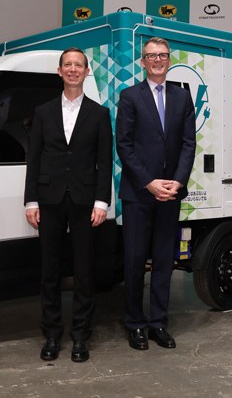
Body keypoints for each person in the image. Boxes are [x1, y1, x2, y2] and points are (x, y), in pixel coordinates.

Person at [24, 48, 113, 362]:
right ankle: (51, 334)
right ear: (59, 71)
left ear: (87, 72)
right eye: (68, 65)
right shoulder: (43, 112)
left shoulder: (100, 114)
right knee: (49, 271)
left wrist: (102, 201)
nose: (73, 69)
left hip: (85, 200)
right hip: (49, 199)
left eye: (79, 65)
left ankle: (80, 336)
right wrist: (31, 200)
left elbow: (104, 161)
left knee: (84, 271)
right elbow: (34, 159)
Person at [115, 37, 196, 350]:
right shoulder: (129, 96)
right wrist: (149, 182)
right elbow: (124, 145)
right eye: (151, 56)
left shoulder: (182, 96)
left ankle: (158, 323)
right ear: (143, 61)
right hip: (139, 193)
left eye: (162, 55)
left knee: (164, 261)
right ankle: (135, 324)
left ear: (169, 59)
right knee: (135, 261)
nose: (157, 60)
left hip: (171, 193)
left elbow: (188, 143)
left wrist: (177, 181)